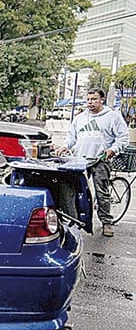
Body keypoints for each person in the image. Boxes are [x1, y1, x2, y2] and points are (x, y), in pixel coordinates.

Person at [55, 87, 129, 237]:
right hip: (80, 160)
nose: (90, 102)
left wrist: (112, 149)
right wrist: (64, 146)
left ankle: (106, 222)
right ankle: (73, 219)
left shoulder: (112, 116)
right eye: (88, 99)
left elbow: (123, 137)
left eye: (94, 99)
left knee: (102, 191)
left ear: (102, 99)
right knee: (72, 188)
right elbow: (72, 137)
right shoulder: (80, 117)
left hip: (100, 159)